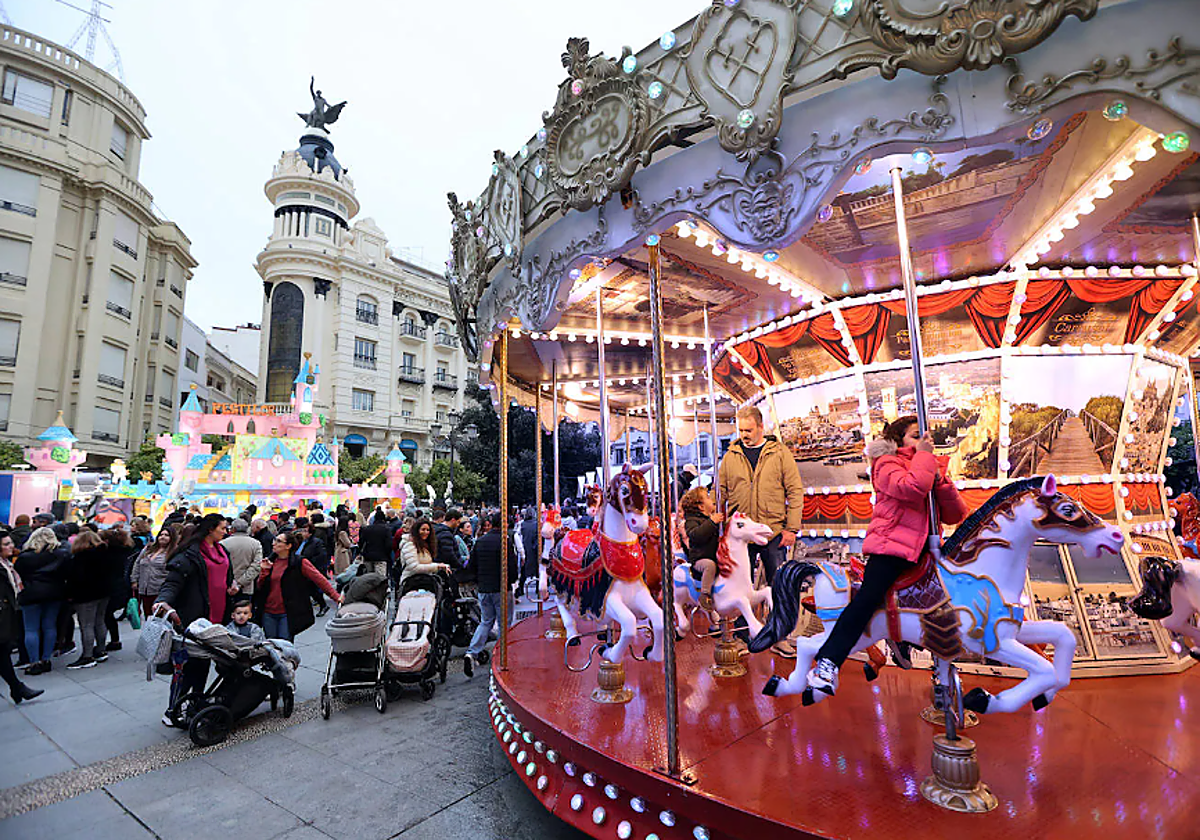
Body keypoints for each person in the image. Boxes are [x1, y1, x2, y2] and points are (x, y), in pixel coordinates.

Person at [806, 415, 968, 697]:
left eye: (924, 437)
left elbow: (955, 514)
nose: (922, 441)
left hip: (926, 550)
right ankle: (828, 662)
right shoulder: (886, 464)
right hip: (891, 547)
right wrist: (926, 460)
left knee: (946, 604)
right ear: (898, 440)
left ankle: (934, 664)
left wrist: (941, 482)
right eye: (915, 436)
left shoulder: (926, 465)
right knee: (868, 600)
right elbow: (910, 488)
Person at [153, 514, 237, 726]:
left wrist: (231, 586)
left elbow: (226, 575)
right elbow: (172, 582)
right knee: (188, 667)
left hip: (216, 619)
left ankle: (195, 703)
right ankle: (173, 709)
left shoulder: (221, 550)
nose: (225, 531)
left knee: (203, 664)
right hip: (193, 617)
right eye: (222, 528)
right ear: (210, 529)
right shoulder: (190, 554)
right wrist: (163, 601)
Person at [719, 405, 804, 587]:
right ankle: (743, 616)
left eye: (748, 430)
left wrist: (792, 528)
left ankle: (780, 616)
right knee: (740, 586)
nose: (744, 435)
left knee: (779, 585)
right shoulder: (730, 456)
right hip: (741, 533)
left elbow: (795, 491)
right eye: (741, 430)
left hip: (772, 531)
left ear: (760, 427)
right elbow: (720, 492)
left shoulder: (780, 453)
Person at [253, 531, 341, 641]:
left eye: (278, 541)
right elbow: (260, 586)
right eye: (274, 540)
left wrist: (336, 597)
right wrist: (264, 571)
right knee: (271, 645)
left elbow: (319, 579)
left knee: (285, 646)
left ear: (288, 546)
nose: (273, 543)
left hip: (288, 611)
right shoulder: (270, 561)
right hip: (268, 611)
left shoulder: (299, 562)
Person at [463, 512, 517, 678]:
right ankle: (501, 654)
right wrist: (514, 581)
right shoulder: (505, 541)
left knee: (486, 621)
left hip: (484, 588)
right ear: (504, 524)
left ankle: (472, 652)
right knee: (504, 623)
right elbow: (513, 566)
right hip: (501, 588)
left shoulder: (480, 541)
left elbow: (471, 565)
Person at [15, 527, 65, 675]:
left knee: (31, 628)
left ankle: (34, 662)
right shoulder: (61, 554)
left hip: (31, 593)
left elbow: (18, 573)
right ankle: (46, 659)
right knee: (49, 626)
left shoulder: (25, 556)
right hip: (54, 593)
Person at [1, 535, 42, 704]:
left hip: (7, 613)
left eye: (10, 542)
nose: (11, 546)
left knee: (2, 653)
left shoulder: (7, 565)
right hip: (3, 614)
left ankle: (17, 688)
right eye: (6, 544)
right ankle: (17, 688)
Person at [64, 530, 111, 669]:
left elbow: (76, 578)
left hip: (85, 595)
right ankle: (101, 650)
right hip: (103, 592)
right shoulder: (104, 554)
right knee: (100, 620)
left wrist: (70, 594)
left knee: (86, 625)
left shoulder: (80, 558)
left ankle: (87, 656)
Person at [681, 486, 724, 612]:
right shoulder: (692, 520)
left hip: (714, 556)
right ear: (700, 506)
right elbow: (695, 536)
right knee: (709, 566)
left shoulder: (708, 519)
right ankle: (704, 595)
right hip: (700, 559)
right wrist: (712, 522)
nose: (712, 500)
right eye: (708, 497)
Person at [99, 526, 135, 653]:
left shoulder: (107, 554)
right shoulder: (127, 551)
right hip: (123, 586)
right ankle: (115, 640)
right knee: (108, 614)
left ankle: (113, 640)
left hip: (111, 587)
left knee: (106, 614)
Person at [131, 527, 176, 619]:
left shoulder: (173, 553)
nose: (163, 537)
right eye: (161, 535)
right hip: (144, 589)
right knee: (148, 617)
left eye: (166, 535)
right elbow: (137, 564)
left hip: (160, 591)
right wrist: (134, 580)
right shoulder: (148, 549)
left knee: (159, 619)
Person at [293, 518, 332, 616]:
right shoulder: (301, 541)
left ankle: (323, 605)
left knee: (313, 591)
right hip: (300, 569)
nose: (302, 533)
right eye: (302, 530)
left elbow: (321, 556)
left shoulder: (316, 542)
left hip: (311, 569)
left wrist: (309, 563)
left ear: (310, 533)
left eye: (305, 531)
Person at [398, 519, 449, 588]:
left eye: (428, 530)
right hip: (411, 584)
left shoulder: (424, 545)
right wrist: (437, 566)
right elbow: (414, 568)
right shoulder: (410, 545)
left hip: (423, 582)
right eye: (423, 529)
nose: (426, 532)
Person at [220, 518, 263, 598]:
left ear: (233, 529)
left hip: (226, 586)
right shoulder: (256, 544)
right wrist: (240, 583)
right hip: (246, 587)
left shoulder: (222, 544)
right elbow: (257, 566)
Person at [358, 509, 393, 578]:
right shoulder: (386, 529)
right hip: (381, 557)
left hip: (368, 556)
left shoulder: (367, 529)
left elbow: (361, 542)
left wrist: (362, 553)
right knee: (380, 578)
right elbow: (389, 544)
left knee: (368, 579)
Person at [518, 508, 538, 595]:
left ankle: (521, 587)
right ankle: (538, 587)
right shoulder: (538, 524)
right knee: (538, 570)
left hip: (526, 548)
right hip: (535, 550)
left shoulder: (522, 524)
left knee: (524, 570)